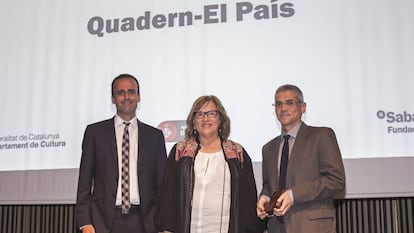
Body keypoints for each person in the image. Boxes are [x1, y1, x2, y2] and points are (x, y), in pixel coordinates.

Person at [155, 95, 264, 233]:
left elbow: (248, 200)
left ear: (220, 119)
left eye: (211, 113)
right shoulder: (180, 151)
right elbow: (167, 195)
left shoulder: (237, 153)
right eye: (200, 114)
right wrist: (165, 228)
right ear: (193, 121)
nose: (205, 119)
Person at [75, 74, 167, 233]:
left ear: (138, 97)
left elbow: (162, 186)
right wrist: (85, 221)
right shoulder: (95, 133)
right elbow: (84, 182)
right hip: (102, 223)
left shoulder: (155, 137)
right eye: (120, 92)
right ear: (113, 98)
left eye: (131, 92)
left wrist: (164, 224)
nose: (126, 97)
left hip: (146, 223)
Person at [256, 84, 346, 233]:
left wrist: (293, 195)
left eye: (289, 103)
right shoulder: (268, 148)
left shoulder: (321, 136)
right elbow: (269, 185)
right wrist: (265, 198)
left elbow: (336, 180)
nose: (283, 108)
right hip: (277, 228)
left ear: (303, 107)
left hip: (312, 227)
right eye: (278, 104)